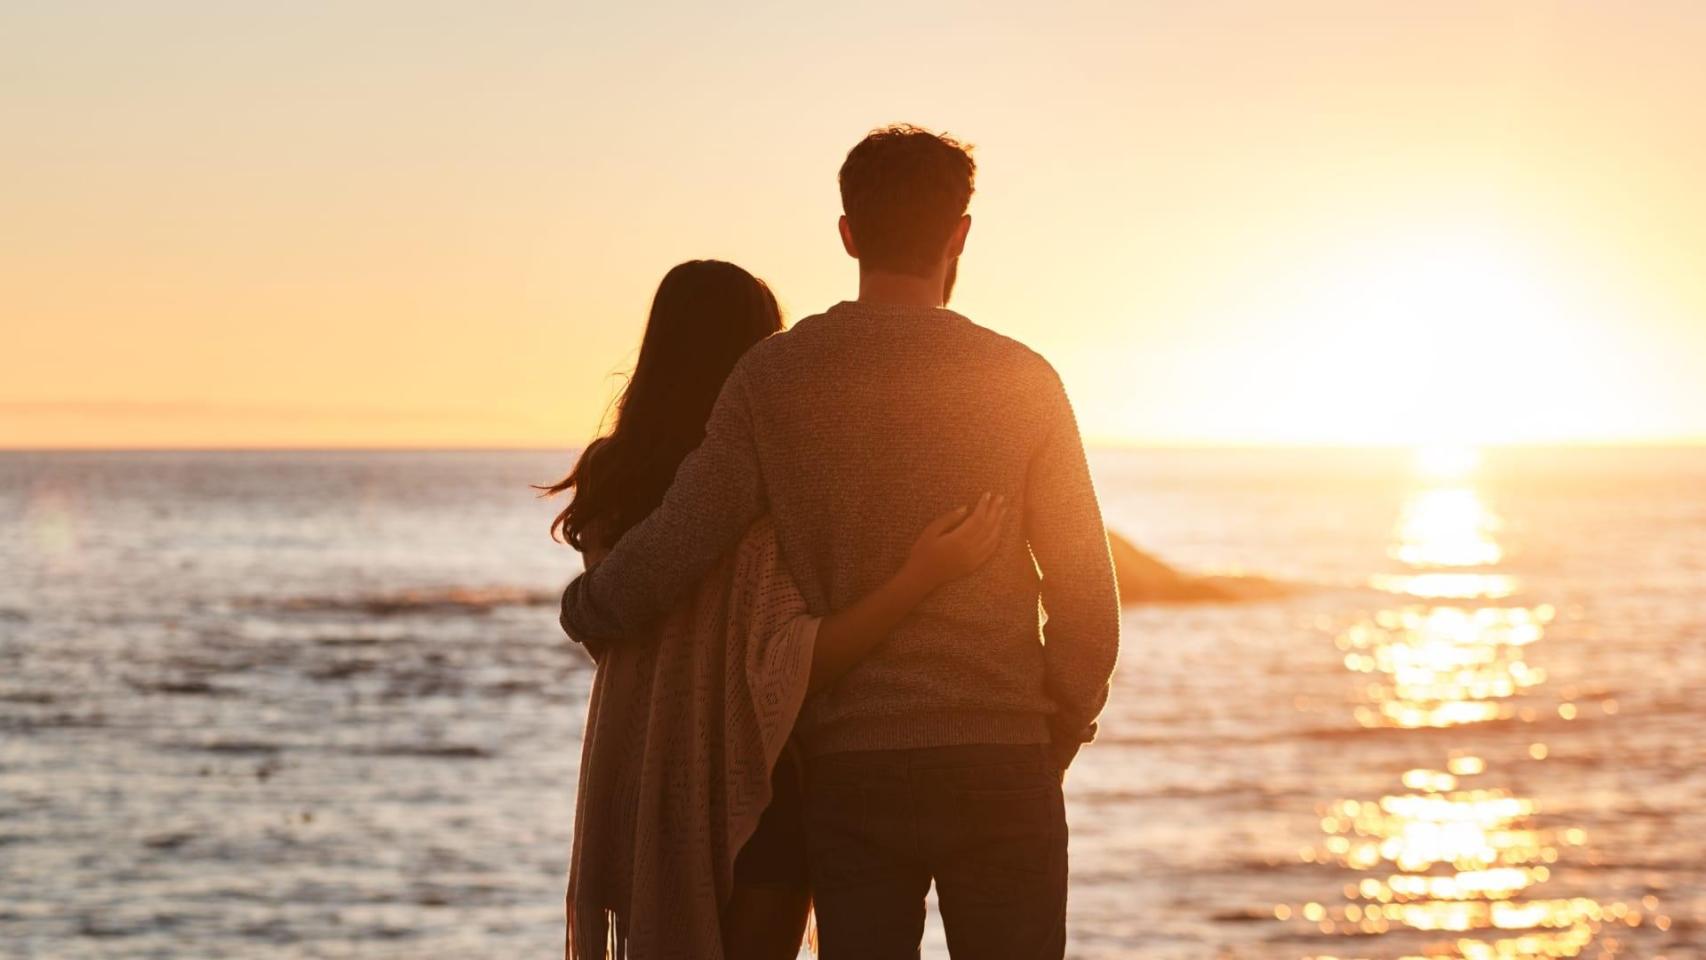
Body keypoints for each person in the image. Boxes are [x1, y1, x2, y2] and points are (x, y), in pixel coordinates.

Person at [560, 125, 1121, 958]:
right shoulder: (1023, 379)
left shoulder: (774, 376)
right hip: (1001, 756)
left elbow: (680, 541)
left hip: (850, 771)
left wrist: (589, 602)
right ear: (960, 233)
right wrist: (1051, 737)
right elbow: (1086, 598)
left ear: (848, 232)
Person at [544, 259, 1008, 960]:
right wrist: (922, 575)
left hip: (648, 793)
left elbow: (611, 625)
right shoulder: (773, 501)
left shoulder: (614, 479)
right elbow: (800, 663)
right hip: (762, 790)